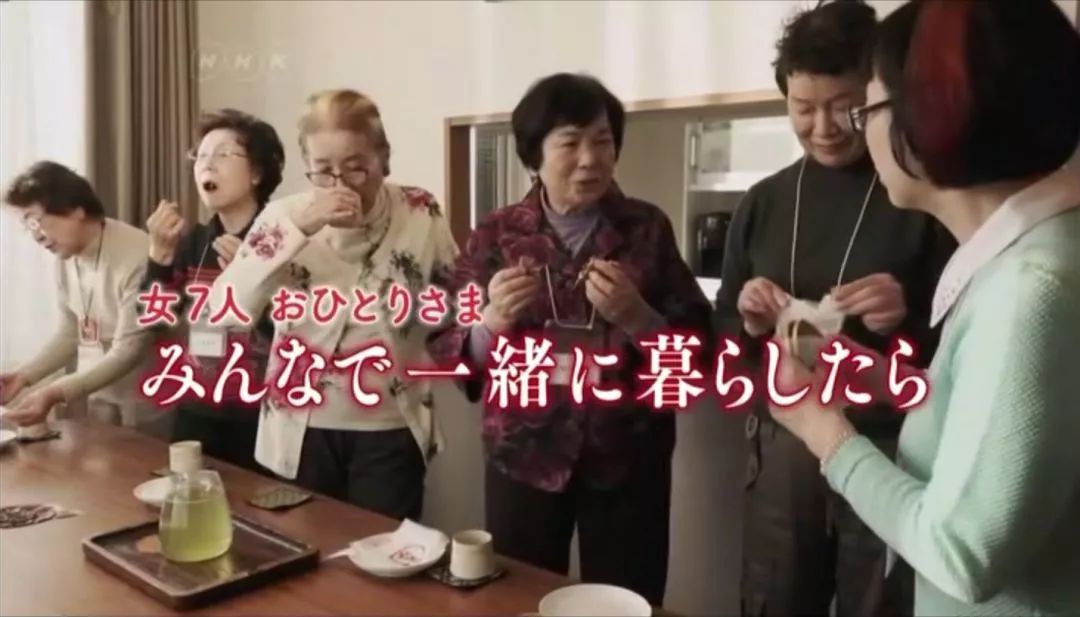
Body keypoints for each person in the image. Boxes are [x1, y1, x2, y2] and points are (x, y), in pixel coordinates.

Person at [770, 1, 1080, 615]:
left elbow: (962, 554)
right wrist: (881, 377)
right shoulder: (1035, 254)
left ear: (934, 112)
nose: (852, 131)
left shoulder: (1030, 290)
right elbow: (996, 421)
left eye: (863, 110)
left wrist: (822, 430)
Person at [428, 73, 713, 606]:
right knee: (518, 598)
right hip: (523, 455)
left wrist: (638, 317)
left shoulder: (647, 228)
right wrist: (490, 324)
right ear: (533, 155)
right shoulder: (496, 234)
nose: (590, 159)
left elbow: (698, 349)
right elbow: (447, 346)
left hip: (629, 457)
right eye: (570, 143)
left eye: (603, 141)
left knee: (627, 600)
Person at [712, 2, 956, 615]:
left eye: (842, 106)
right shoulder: (764, 202)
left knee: (878, 605)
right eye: (803, 108)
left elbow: (965, 355)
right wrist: (747, 321)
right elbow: (724, 344)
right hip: (784, 444)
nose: (822, 127)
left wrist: (906, 316)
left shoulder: (921, 195)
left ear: (877, 96)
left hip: (890, 448)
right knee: (773, 599)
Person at [207, 89, 458, 520]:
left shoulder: (420, 210)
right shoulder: (283, 217)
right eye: (324, 172)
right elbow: (223, 313)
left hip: (389, 425)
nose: (341, 185)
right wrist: (296, 231)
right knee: (307, 550)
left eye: (357, 168)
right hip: (301, 428)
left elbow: (455, 295)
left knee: (385, 551)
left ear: (384, 160)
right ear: (307, 166)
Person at [141, 108, 285, 472]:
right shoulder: (194, 241)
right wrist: (158, 258)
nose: (207, 164)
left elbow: (298, 333)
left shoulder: (283, 240)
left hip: (261, 415)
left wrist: (252, 278)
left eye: (222, 154)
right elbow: (153, 322)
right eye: (201, 155)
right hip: (197, 407)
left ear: (256, 173)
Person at [0, 161, 171, 437]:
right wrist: (24, 376)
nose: (35, 236)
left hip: (146, 399)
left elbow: (129, 350)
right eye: (27, 226)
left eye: (35, 221)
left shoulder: (138, 256)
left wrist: (55, 392)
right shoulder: (65, 255)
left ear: (75, 210)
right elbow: (71, 331)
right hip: (98, 397)